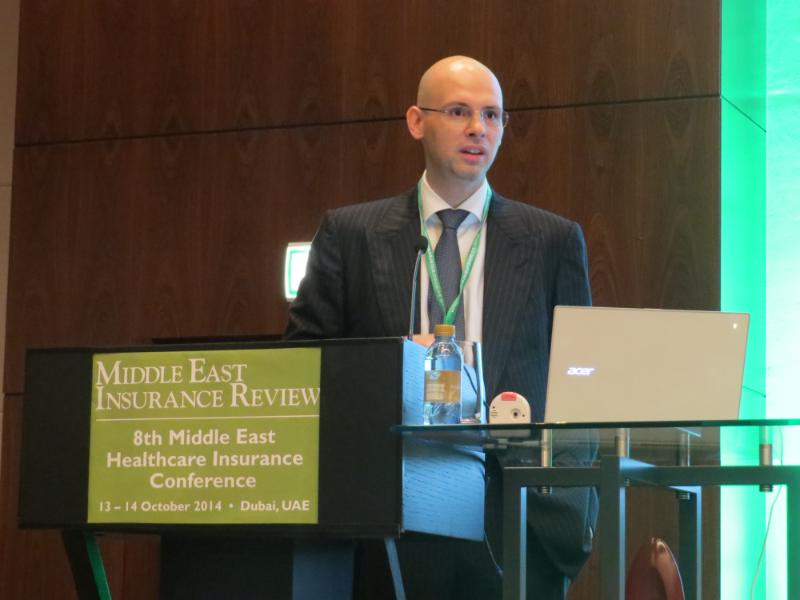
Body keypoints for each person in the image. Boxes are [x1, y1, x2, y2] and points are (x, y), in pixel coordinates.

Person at [285, 56, 596, 600]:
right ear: (416, 121)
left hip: (516, 518)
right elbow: (305, 369)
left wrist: (562, 507)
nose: (479, 128)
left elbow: (581, 381)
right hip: (390, 515)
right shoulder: (351, 234)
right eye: (458, 112)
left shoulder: (552, 240)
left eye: (492, 115)